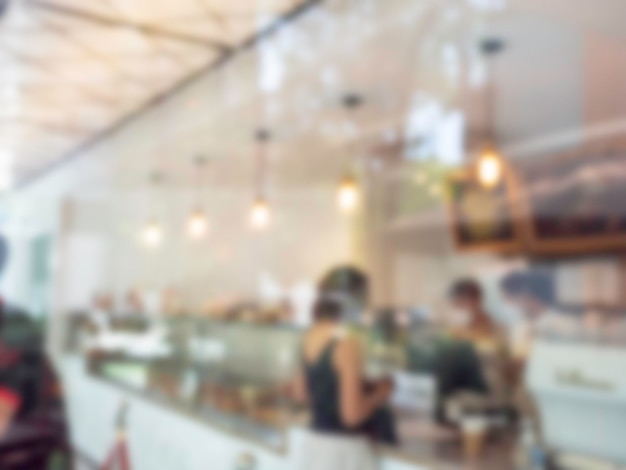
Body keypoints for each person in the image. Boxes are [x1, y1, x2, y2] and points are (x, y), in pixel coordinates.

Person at [294, 294, 394, 470]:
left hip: (314, 445)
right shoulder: (346, 345)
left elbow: (301, 394)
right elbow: (351, 416)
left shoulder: (306, 340)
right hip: (343, 452)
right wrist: (381, 393)